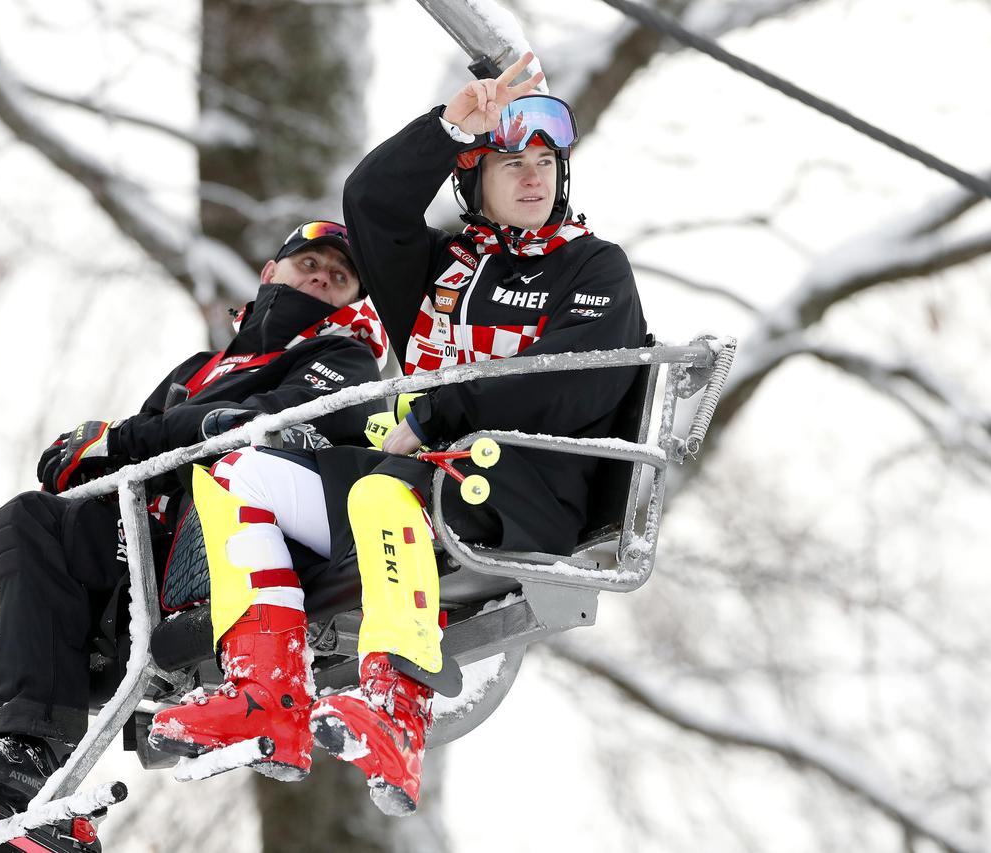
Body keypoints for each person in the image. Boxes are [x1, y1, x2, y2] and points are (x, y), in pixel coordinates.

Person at [147, 52, 649, 816]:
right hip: (425, 472)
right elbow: (372, 202)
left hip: (526, 484)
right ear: (473, 182)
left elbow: (569, 380)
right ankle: (266, 693)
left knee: (386, 492)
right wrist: (451, 128)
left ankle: (397, 705)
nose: (533, 178)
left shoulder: (592, 267)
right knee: (238, 475)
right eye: (511, 163)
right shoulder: (442, 270)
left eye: (545, 162)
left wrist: (437, 412)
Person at [0, 221, 388, 852]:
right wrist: (85, 456)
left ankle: (30, 749)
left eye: (339, 277)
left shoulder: (343, 357)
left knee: (30, 519)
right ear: (271, 272)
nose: (322, 278)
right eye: (309, 264)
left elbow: (254, 424)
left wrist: (128, 439)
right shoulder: (203, 368)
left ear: (352, 300)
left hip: (203, 547)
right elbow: (139, 446)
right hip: (133, 544)